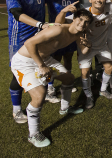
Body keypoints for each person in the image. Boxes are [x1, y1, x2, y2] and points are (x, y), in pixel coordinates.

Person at [11, 8, 92, 147]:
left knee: (69, 78)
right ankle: (33, 134)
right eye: (80, 19)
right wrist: (41, 65)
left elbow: (83, 50)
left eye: (86, 22)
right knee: (39, 95)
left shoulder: (80, 34)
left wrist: (88, 46)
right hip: (24, 61)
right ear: (73, 19)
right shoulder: (58, 29)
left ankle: (65, 108)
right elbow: (29, 43)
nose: (82, 24)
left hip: (45, 59)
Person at [5, 0, 55, 124]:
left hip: (39, 37)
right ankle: (17, 110)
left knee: (42, 65)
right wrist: (41, 24)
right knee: (17, 75)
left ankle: (45, 92)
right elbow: (17, 14)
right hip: (19, 39)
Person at [56, 0, 112, 108]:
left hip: (102, 45)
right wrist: (63, 11)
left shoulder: (111, 7)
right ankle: (89, 95)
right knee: (85, 73)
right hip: (85, 46)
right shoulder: (83, 14)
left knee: (109, 67)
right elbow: (58, 23)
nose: (98, 0)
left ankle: (103, 89)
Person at [45, 0, 79, 100]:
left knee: (68, 59)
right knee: (54, 60)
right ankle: (49, 86)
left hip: (69, 33)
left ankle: (67, 82)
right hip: (55, 34)